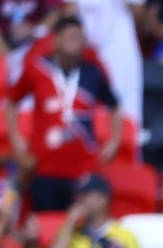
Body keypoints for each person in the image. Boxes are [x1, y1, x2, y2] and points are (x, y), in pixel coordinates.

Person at [5, 16, 124, 213]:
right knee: (44, 227)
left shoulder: (94, 73)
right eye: (69, 37)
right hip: (44, 167)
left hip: (83, 168)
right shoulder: (37, 69)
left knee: (79, 230)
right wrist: (16, 139)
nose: (74, 42)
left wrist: (115, 140)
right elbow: (11, 102)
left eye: (79, 37)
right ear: (56, 40)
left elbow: (115, 106)